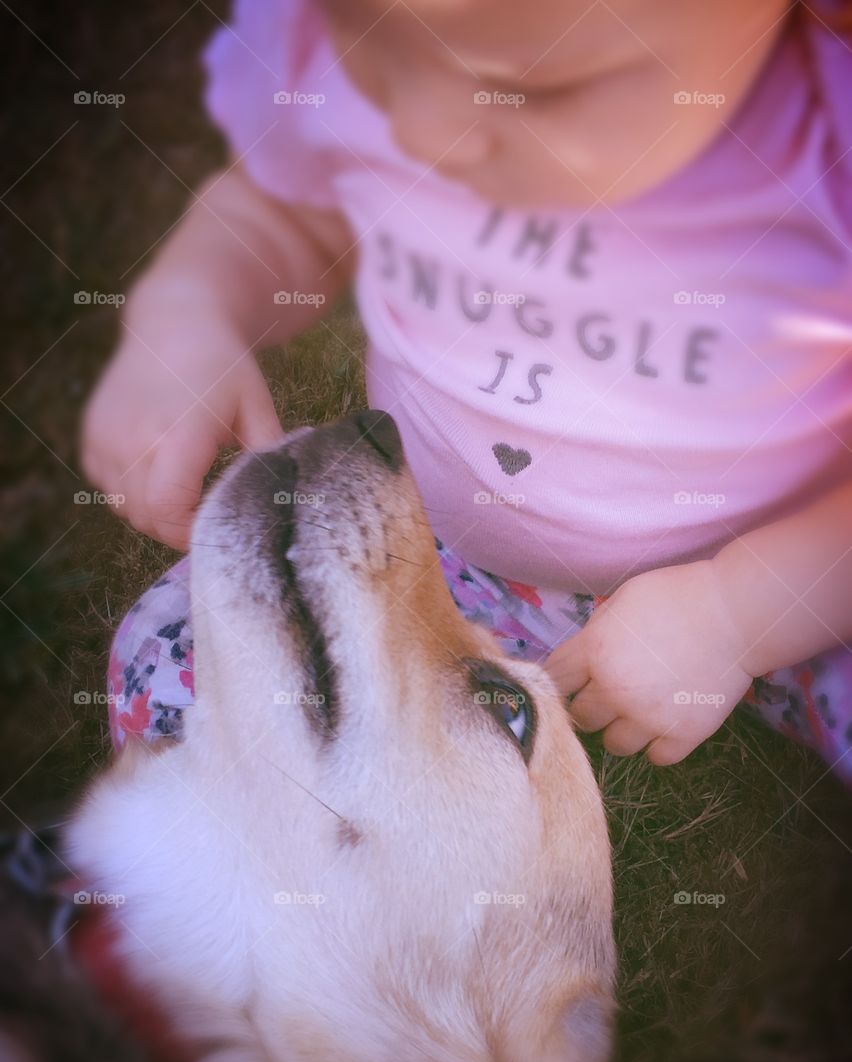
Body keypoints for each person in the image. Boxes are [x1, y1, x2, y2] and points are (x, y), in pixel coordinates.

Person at [82, 0, 852, 781]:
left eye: (531, 92)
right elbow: (285, 212)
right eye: (379, 60)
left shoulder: (824, 143)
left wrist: (734, 614)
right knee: (178, 650)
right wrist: (188, 311)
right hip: (442, 556)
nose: (419, 132)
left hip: (792, 572)